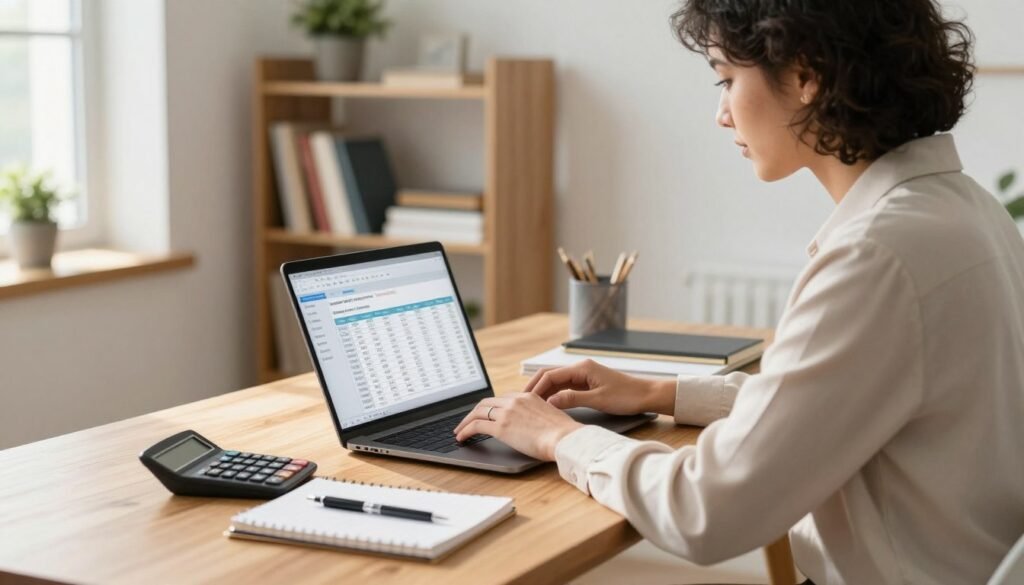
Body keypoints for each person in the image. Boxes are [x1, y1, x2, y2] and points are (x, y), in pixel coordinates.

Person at [455, 1, 1024, 583]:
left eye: (727, 80)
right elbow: (841, 403)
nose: (721, 114)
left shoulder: (877, 256)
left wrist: (560, 437)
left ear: (807, 77)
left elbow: (708, 512)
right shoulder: (968, 211)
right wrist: (662, 392)